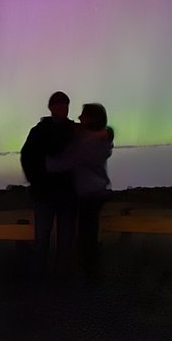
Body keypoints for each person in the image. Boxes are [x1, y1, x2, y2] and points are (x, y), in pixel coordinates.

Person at [46, 103, 113, 280]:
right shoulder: (100, 139)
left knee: (86, 236)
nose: (80, 117)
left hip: (89, 195)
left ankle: (90, 277)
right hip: (98, 191)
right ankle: (90, 273)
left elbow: (65, 163)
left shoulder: (87, 142)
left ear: (92, 119)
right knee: (89, 233)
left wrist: (43, 162)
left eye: (84, 115)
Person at [19, 91, 77, 276]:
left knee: (65, 240)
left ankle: (61, 278)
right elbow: (27, 158)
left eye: (65, 104)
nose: (63, 108)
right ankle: (38, 278)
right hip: (44, 195)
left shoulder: (75, 131)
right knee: (42, 238)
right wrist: (37, 180)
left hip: (67, 195)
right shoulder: (39, 131)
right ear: (51, 107)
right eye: (59, 104)